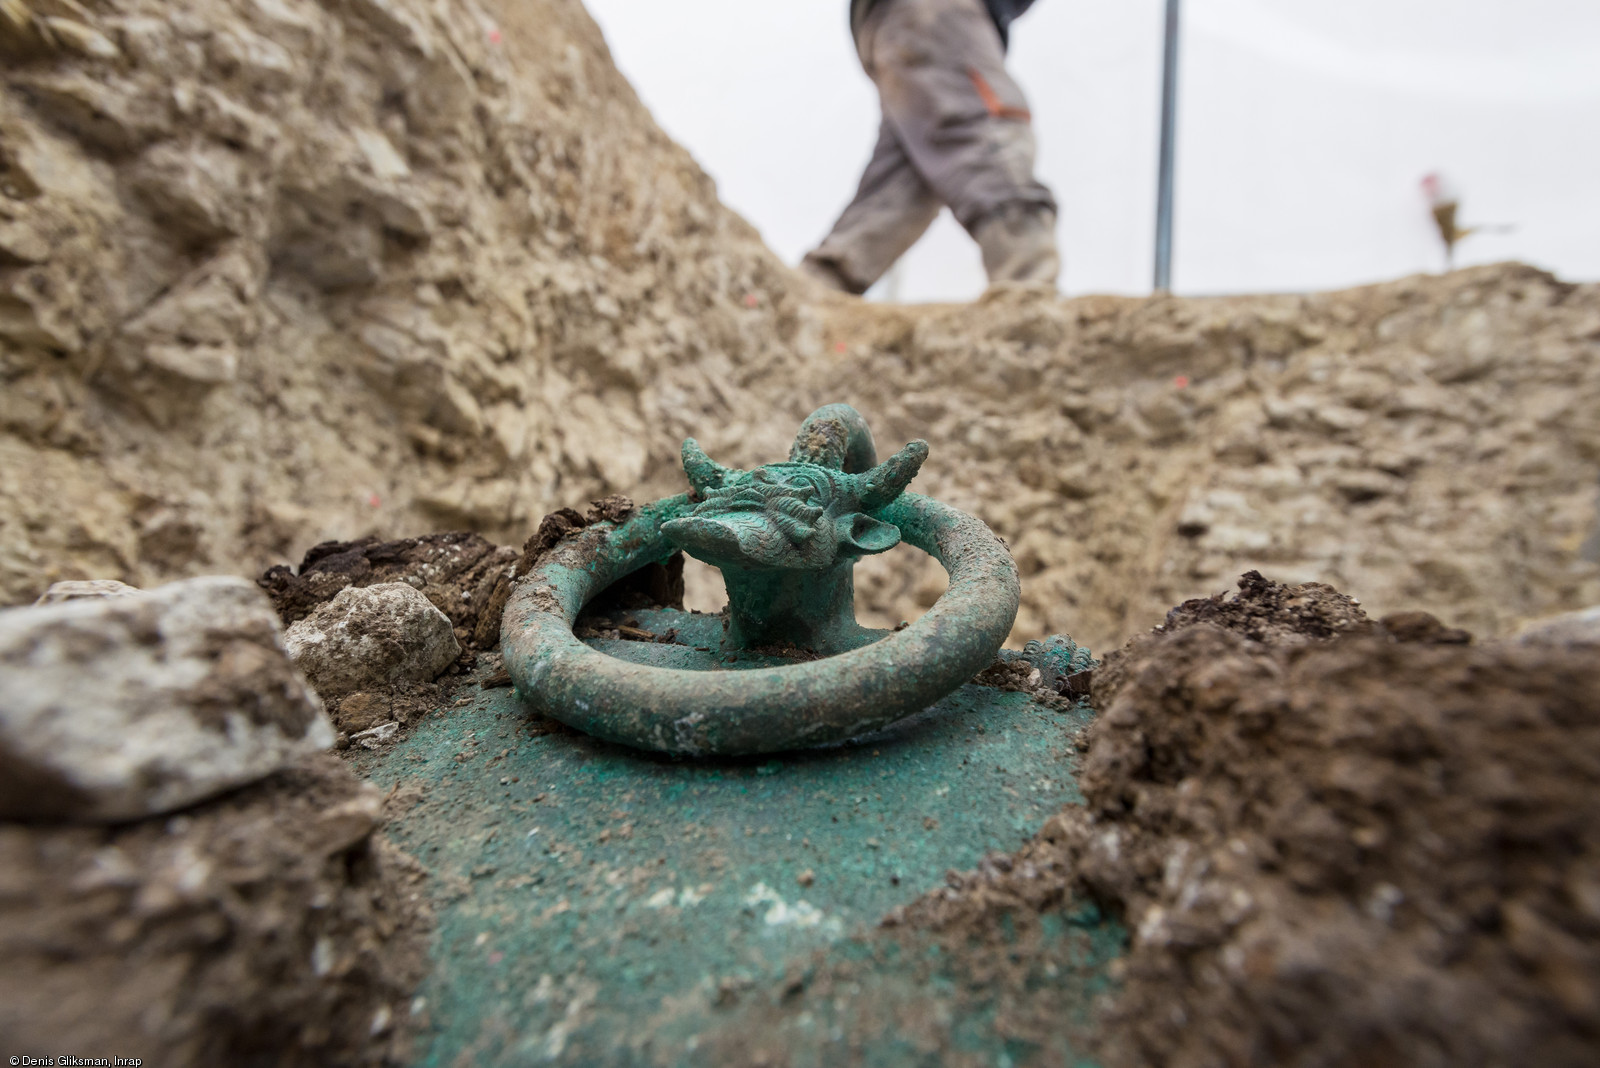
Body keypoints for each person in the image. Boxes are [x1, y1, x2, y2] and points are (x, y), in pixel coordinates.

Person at [802, 0, 1059, 295]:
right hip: (937, 15)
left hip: (898, 22)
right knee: (986, 140)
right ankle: (1030, 298)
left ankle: (813, 294)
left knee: (902, 186)